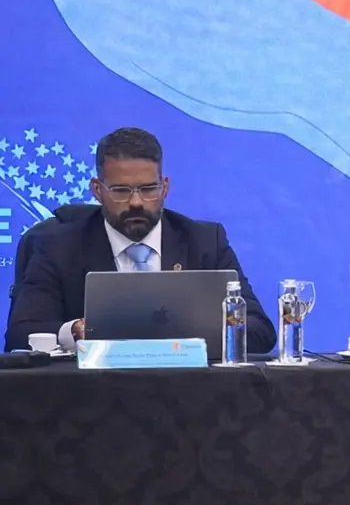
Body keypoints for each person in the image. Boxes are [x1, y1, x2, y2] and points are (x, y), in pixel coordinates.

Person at [4, 127, 277, 353]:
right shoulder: (57, 246)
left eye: (148, 189)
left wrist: (193, 329)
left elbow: (261, 332)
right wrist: (75, 330)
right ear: (98, 190)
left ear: (165, 187)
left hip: (191, 399)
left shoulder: (204, 241)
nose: (136, 202)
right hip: (90, 400)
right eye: (121, 190)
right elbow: (20, 334)